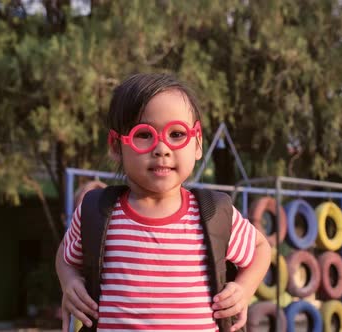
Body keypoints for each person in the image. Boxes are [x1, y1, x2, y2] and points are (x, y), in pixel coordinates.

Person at [55, 73, 271, 332]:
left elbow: (260, 248)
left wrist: (244, 290)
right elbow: (66, 256)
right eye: (144, 135)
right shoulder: (98, 212)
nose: (162, 148)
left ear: (198, 143)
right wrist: (69, 282)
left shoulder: (213, 214)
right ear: (116, 146)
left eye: (177, 134)